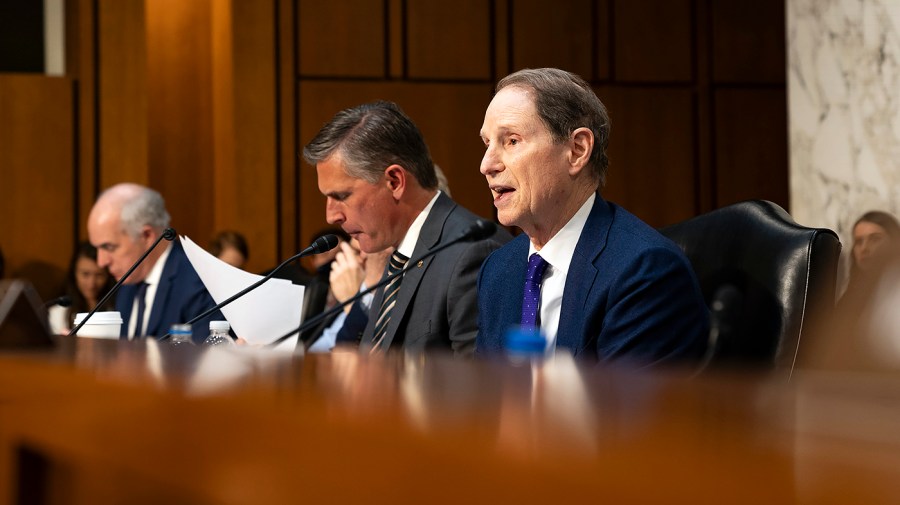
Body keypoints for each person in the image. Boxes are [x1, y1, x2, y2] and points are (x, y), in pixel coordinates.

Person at [476, 68, 708, 365]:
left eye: (511, 141)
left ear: (577, 150)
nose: (487, 165)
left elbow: (625, 410)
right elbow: (483, 401)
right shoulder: (498, 270)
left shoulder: (644, 273)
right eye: (486, 144)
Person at [302, 100, 509, 356]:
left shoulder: (472, 252)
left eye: (341, 196)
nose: (331, 216)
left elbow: (479, 386)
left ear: (394, 181)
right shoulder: (399, 253)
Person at [87, 183, 223, 343]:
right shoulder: (128, 280)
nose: (101, 262)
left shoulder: (199, 283)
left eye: (109, 247)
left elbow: (206, 359)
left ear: (147, 235)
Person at [48, 242, 116, 334]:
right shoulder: (58, 314)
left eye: (99, 275)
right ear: (74, 274)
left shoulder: (118, 310)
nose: (91, 284)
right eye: (85, 274)